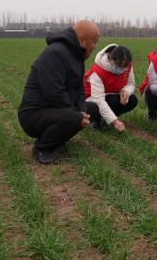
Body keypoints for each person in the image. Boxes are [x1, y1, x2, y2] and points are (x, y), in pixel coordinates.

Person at [18, 20, 101, 164]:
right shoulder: (55, 53)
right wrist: (75, 114)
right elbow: (53, 92)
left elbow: (79, 89)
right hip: (34, 114)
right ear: (82, 40)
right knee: (74, 118)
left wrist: (81, 110)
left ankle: (58, 138)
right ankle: (42, 148)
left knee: (91, 109)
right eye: (94, 42)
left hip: (54, 109)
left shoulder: (76, 57)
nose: (95, 46)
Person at [83, 44, 138, 132]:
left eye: (124, 66)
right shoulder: (97, 72)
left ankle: (107, 118)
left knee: (132, 100)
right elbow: (99, 100)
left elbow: (131, 83)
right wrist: (115, 121)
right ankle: (94, 119)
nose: (122, 69)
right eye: (119, 66)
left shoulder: (127, 66)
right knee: (105, 102)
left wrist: (125, 91)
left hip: (110, 95)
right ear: (111, 59)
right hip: (91, 99)